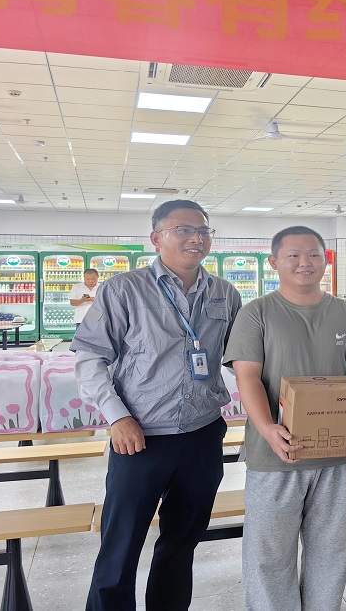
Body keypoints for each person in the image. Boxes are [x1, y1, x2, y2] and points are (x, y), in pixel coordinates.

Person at [71, 200, 242, 611]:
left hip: (202, 434)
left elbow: (242, 360)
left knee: (182, 543)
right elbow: (90, 357)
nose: (196, 238)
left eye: (203, 230)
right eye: (184, 229)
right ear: (156, 238)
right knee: (121, 546)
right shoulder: (124, 289)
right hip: (139, 437)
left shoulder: (224, 293)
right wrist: (117, 417)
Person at [225, 225, 346, 611]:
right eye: (293, 255)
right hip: (276, 455)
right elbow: (248, 378)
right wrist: (268, 429)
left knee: (331, 550)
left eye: (313, 255)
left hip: (337, 454)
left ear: (325, 261)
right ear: (274, 262)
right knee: (269, 554)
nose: (304, 263)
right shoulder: (256, 313)